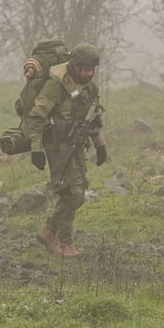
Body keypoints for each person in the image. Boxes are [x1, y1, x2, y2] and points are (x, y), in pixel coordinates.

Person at [23, 43, 106, 257]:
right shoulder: (56, 85)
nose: (88, 74)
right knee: (72, 192)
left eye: (92, 70)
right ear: (75, 66)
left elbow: (93, 118)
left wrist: (100, 145)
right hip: (56, 144)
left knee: (79, 195)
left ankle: (49, 230)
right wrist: (36, 148)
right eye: (85, 69)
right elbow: (37, 115)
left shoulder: (90, 88)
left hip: (77, 144)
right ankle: (64, 243)